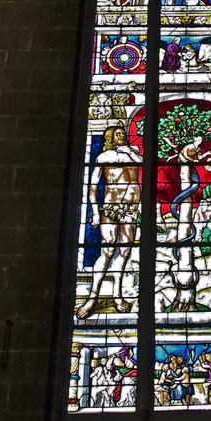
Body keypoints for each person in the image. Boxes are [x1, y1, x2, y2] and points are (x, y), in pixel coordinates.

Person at [76, 126, 141, 317]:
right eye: (118, 134)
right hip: (110, 208)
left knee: (124, 252)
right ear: (110, 138)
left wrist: (129, 151)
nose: (122, 136)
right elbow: (93, 187)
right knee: (108, 250)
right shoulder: (104, 157)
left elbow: (145, 164)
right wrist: (95, 212)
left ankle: (117, 295)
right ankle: (92, 297)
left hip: (130, 209)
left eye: (124, 134)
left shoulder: (133, 155)